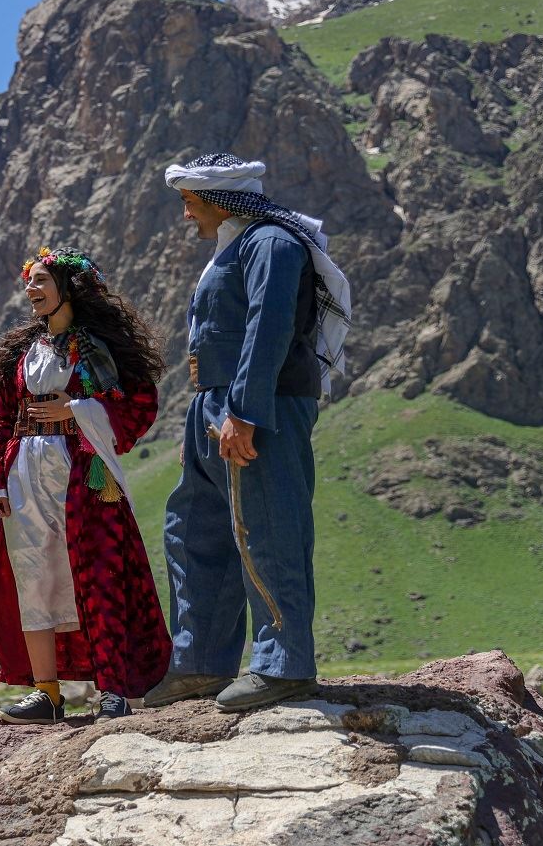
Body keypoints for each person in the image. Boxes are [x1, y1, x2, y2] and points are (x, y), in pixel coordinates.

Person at [142, 153, 352, 712]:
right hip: (211, 405)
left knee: (267, 528)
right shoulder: (235, 248)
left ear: (219, 199)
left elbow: (269, 326)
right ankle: (200, 663)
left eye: (191, 202)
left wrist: (246, 411)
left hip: (257, 407)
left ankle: (283, 666)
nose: (187, 216)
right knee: (194, 528)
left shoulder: (272, 244)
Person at [0, 245, 172, 724]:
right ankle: (47, 693)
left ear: (69, 288)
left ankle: (112, 689)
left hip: (84, 475)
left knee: (101, 574)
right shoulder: (20, 355)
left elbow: (139, 405)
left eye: (41, 281)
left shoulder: (100, 351)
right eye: (30, 282)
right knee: (34, 574)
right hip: (25, 475)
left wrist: (77, 410)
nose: (31, 290)